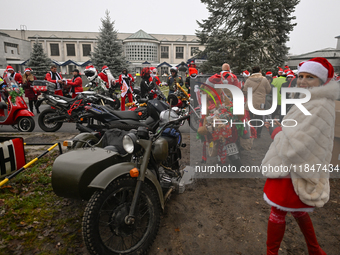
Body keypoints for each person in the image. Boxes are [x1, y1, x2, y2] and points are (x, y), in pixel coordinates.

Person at [262, 57, 337, 255]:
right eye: (301, 76)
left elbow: (297, 148)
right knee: (298, 210)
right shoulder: (313, 100)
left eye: (310, 77)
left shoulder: (318, 105)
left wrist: (277, 132)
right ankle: (315, 249)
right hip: (297, 169)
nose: (302, 81)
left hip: (293, 169)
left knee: (277, 212)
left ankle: (272, 252)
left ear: (321, 81)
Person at [242, 66, 271, 138]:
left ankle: (253, 131)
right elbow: (268, 90)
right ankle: (258, 133)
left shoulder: (248, 80)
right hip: (261, 102)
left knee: (251, 118)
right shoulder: (264, 79)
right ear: (260, 71)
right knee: (260, 117)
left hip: (251, 101)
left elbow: (245, 91)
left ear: (252, 72)